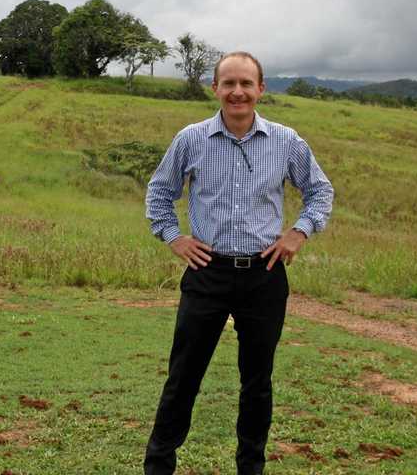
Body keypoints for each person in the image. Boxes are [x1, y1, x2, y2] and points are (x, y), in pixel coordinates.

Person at [143, 51, 334, 475]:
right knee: (183, 377)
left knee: (256, 382)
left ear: (260, 89)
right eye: (228, 83)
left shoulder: (286, 141)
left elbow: (320, 191)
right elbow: (159, 192)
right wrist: (174, 238)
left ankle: (251, 467)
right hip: (206, 272)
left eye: (246, 83)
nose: (237, 92)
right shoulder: (191, 139)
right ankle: (158, 466)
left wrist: (298, 233)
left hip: (264, 276)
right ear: (215, 88)